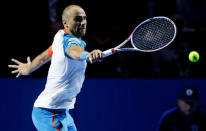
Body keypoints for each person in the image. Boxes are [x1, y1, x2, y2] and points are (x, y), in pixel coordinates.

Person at [8, 4, 103, 131]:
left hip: (62, 112)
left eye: (84, 18)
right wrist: (88, 55)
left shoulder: (59, 36)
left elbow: (45, 56)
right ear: (65, 23)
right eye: (78, 19)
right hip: (49, 113)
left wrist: (29, 68)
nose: (83, 22)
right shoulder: (70, 42)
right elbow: (74, 51)